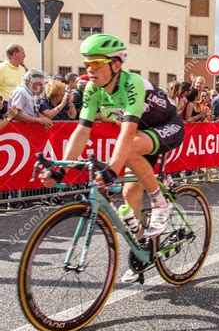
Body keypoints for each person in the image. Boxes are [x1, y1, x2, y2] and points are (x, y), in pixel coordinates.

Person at [40, 34, 184, 252]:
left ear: (116, 65)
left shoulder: (132, 84)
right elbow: (81, 131)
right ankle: (145, 251)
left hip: (167, 126)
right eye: (87, 64)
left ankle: (160, 203)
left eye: (96, 64)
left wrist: (111, 172)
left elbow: (127, 134)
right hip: (140, 138)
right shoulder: (92, 89)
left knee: (130, 145)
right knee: (128, 196)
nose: (90, 70)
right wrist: (61, 168)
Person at [0, 44, 27, 112]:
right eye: (22, 53)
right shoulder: (1, 68)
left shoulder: (22, 69)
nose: (25, 55)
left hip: (21, 106)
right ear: (15, 54)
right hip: (6, 107)